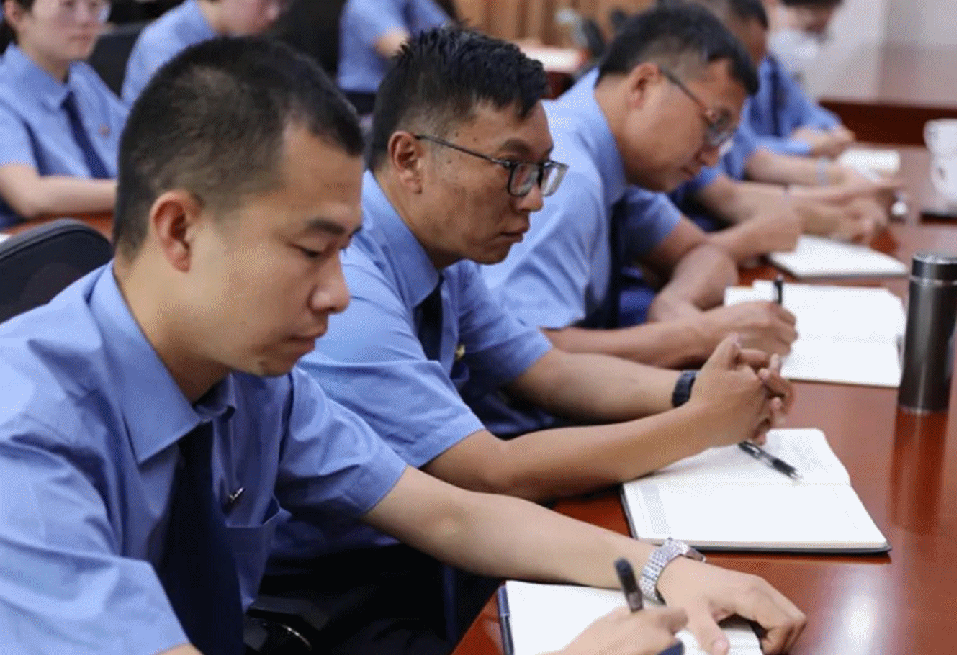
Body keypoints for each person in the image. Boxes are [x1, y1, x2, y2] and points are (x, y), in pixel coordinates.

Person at [0, 36, 806, 655]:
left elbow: (451, 514)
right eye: (311, 251)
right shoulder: (24, 443)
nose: (339, 292)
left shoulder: (250, 373)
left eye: (344, 249)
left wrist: (668, 568)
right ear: (180, 230)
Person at [271, 27, 792, 650]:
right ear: (409, 159)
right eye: (513, 169)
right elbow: (487, 475)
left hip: (425, 550)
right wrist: (699, 424)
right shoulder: (349, 286)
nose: (536, 200)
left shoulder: (442, 247)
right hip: (328, 597)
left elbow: (546, 370)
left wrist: (693, 391)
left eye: (541, 171)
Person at [481, 5, 798, 375]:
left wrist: (674, 301)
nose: (713, 157)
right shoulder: (567, 174)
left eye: (725, 137)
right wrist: (698, 335)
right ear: (643, 86)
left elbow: (704, 253)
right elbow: (525, 355)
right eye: (715, 125)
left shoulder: (621, 159)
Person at [0, 0, 126, 227]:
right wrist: (137, 191)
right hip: (54, 242)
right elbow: (29, 196)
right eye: (67, 5)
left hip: (114, 226)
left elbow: (142, 145)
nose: (86, 20)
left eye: (95, 6)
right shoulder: (5, 93)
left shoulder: (83, 78)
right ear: (16, 14)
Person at [693, 0, 853, 158]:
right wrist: (805, 146)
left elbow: (808, 112)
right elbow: (742, 148)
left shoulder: (772, 66)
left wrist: (834, 132)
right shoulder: (732, 73)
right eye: (809, 28)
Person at [121, 0, 285, 103]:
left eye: (283, 1)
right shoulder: (163, 45)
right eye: (263, 2)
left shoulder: (243, 38)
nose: (274, 13)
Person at [337, 0, 450, 114]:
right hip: (366, 99)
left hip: (406, 94)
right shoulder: (364, 5)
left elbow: (451, 36)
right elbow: (406, 55)